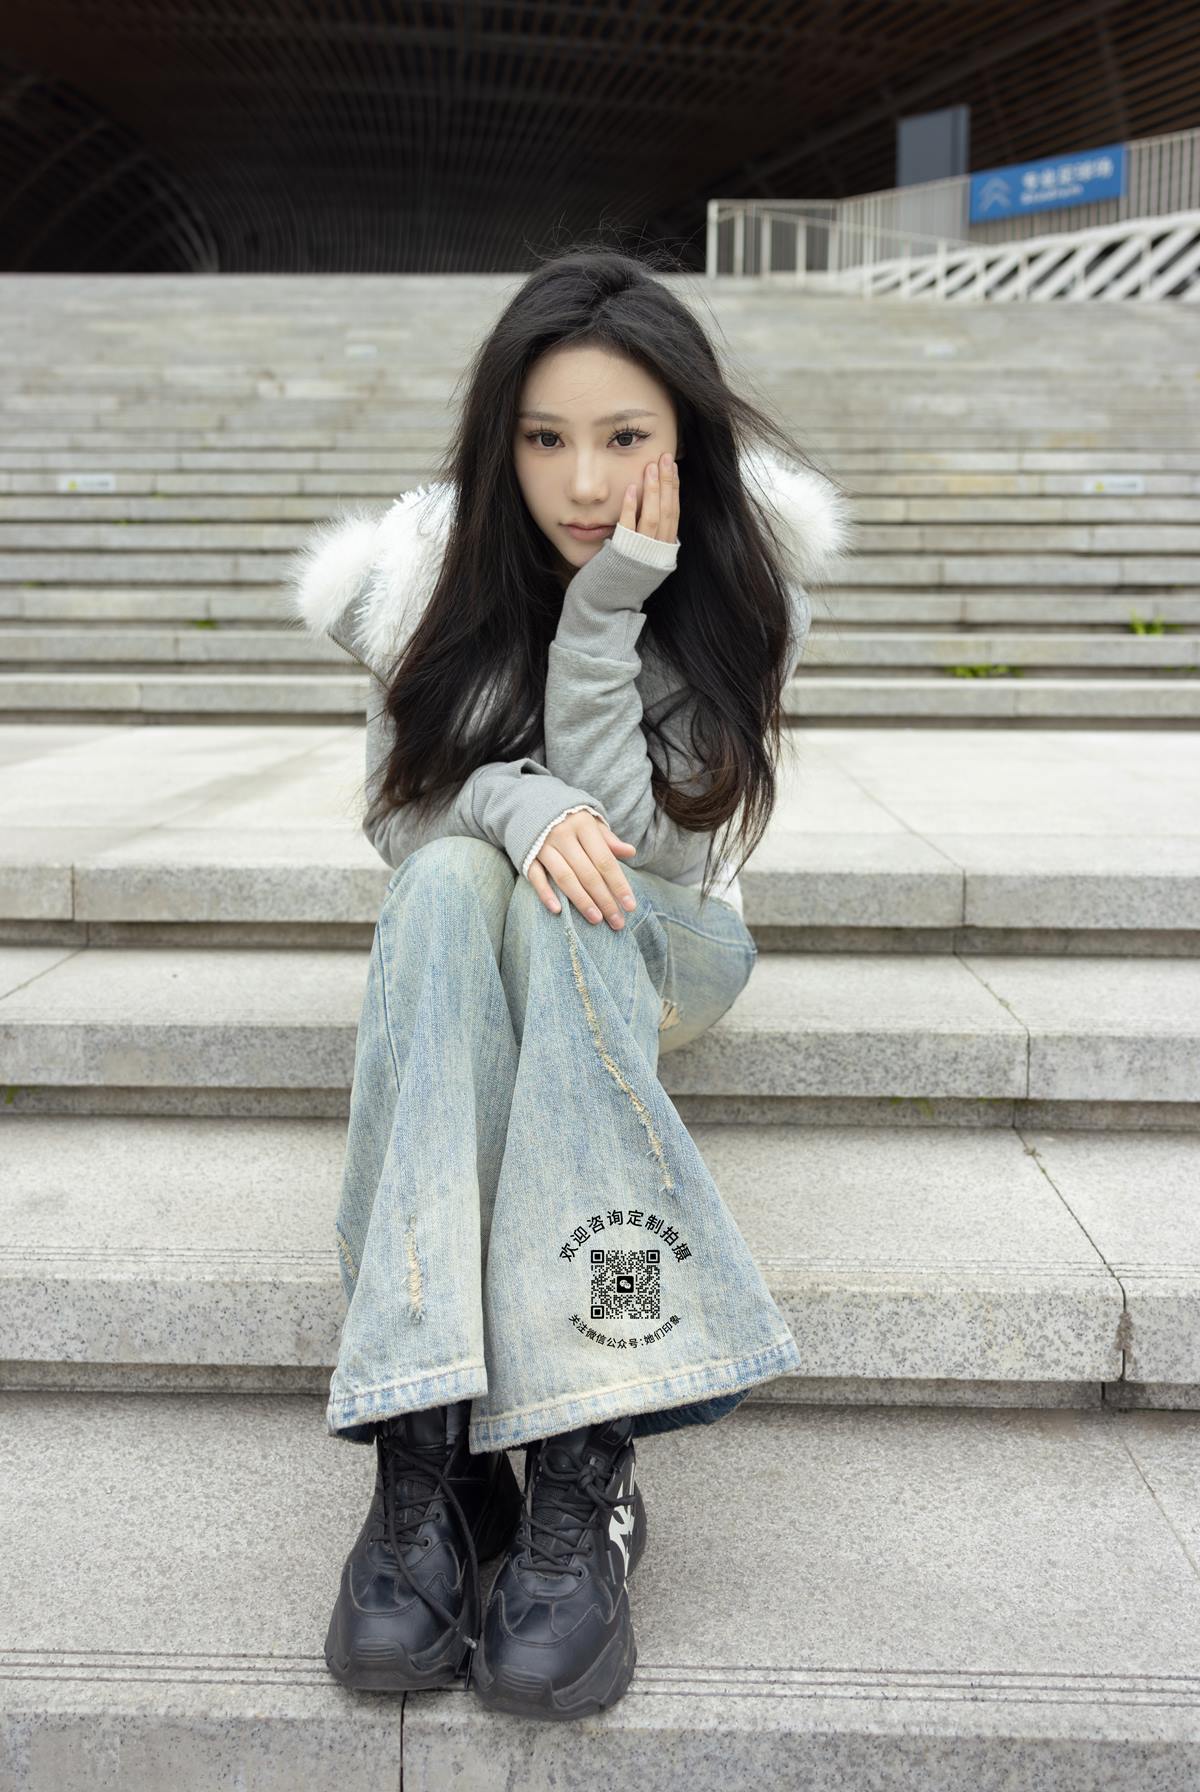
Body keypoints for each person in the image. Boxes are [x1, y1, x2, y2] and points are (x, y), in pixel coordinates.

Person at [284, 244, 853, 1722]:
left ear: (683, 441)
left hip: (664, 939)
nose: (583, 481)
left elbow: (655, 851)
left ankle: (581, 1464)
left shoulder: (739, 586)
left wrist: (605, 617)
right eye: (545, 438)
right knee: (445, 886)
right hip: (476, 917)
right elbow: (406, 819)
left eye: (622, 436)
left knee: (566, 906)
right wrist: (508, 800)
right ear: (502, 441)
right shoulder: (429, 573)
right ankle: (430, 1454)